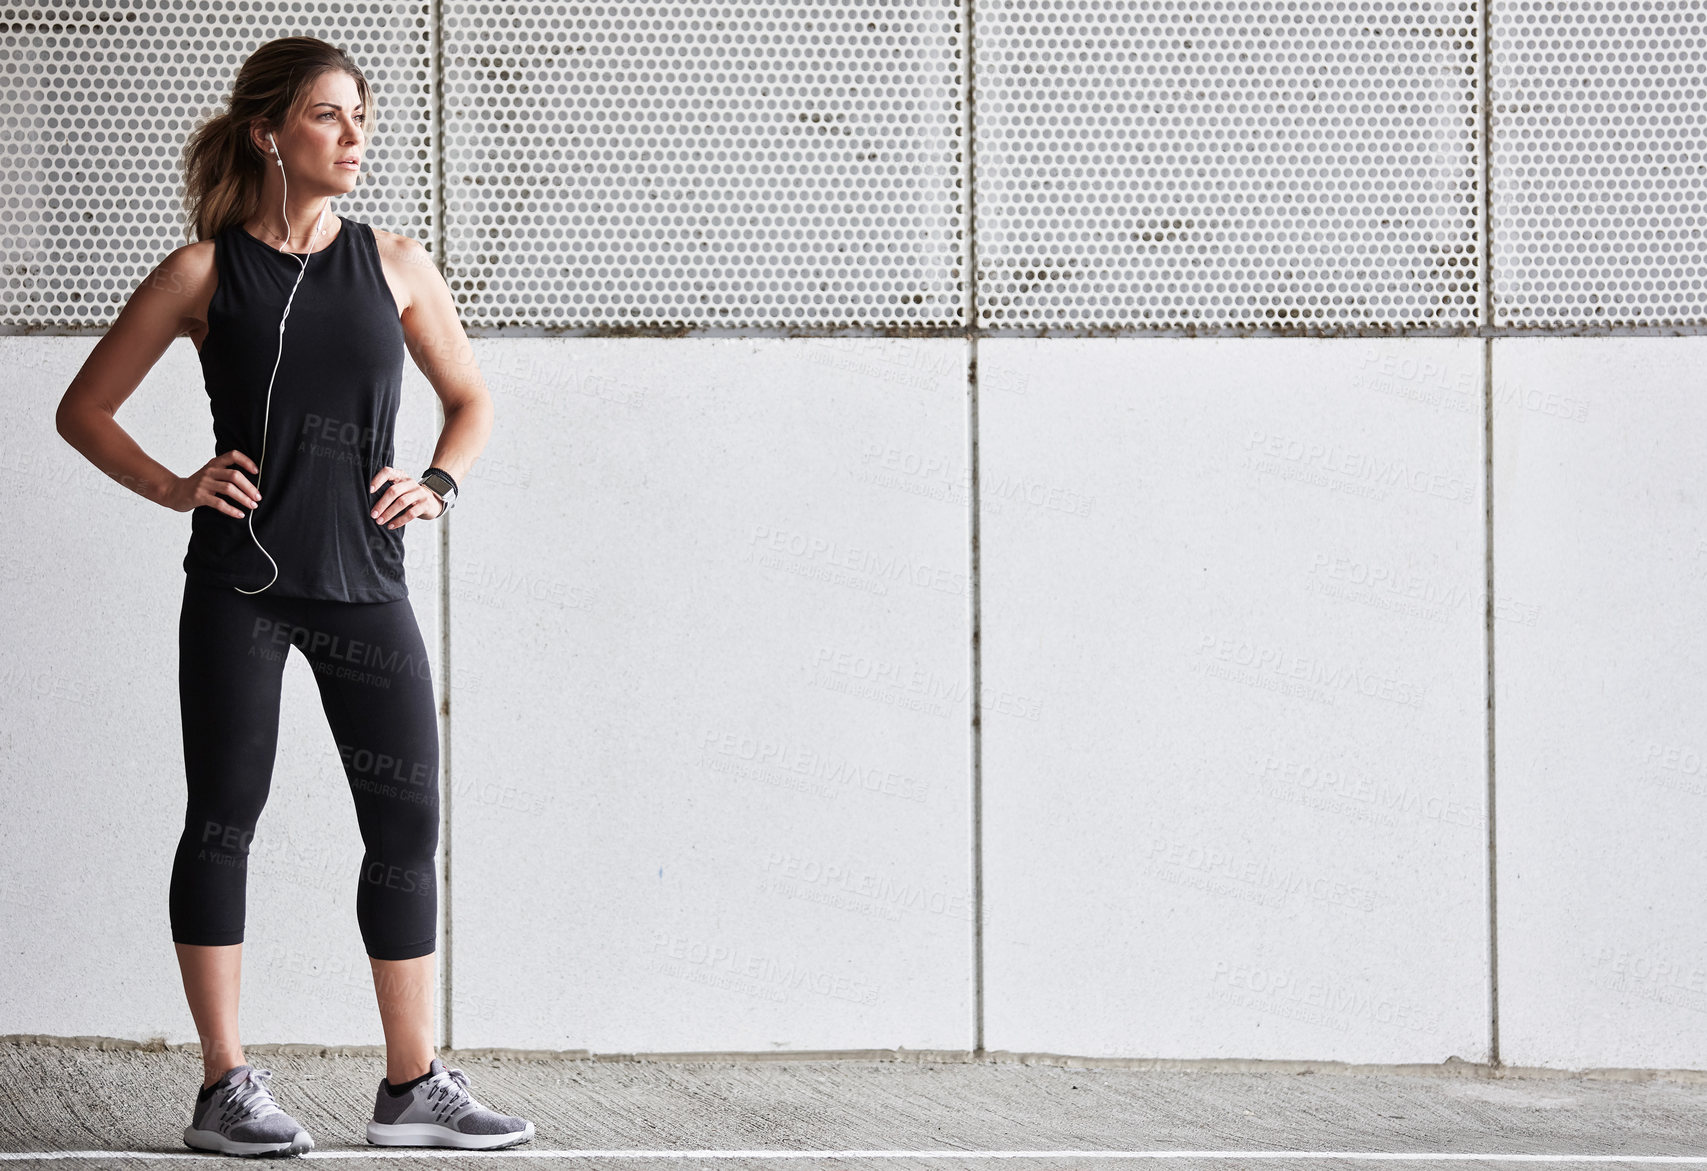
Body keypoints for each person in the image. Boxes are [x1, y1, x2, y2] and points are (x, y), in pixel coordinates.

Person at [53, 36, 533, 1156]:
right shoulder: (203, 274)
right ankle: (224, 1087)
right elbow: (84, 409)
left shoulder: (400, 263)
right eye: (331, 116)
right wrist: (177, 485)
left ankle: (410, 1085)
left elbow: (470, 398)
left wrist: (438, 483)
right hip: (245, 586)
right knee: (223, 821)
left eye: (362, 116)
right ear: (271, 133)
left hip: (364, 583)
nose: (357, 135)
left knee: (405, 822)